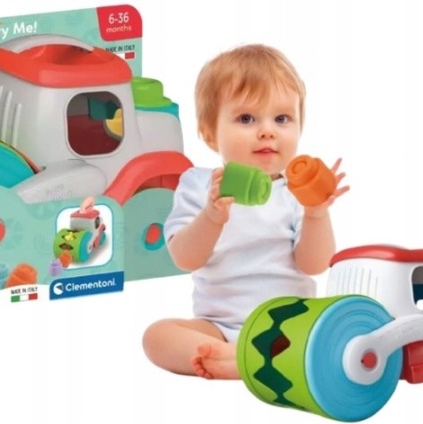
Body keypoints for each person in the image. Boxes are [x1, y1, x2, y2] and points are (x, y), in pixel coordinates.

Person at [142, 44, 349, 379]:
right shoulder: (198, 185)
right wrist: (211, 216)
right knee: (156, 337)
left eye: (281, 118)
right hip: (218, 328)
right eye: (246, 119)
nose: (267, 130)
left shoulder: (296, 193)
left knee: (328, 335)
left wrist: (316, 214)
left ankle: (251, 361)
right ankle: (239, 359)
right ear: (210, 134)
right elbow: (185, 258)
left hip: (288, 326)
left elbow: (315, 265)